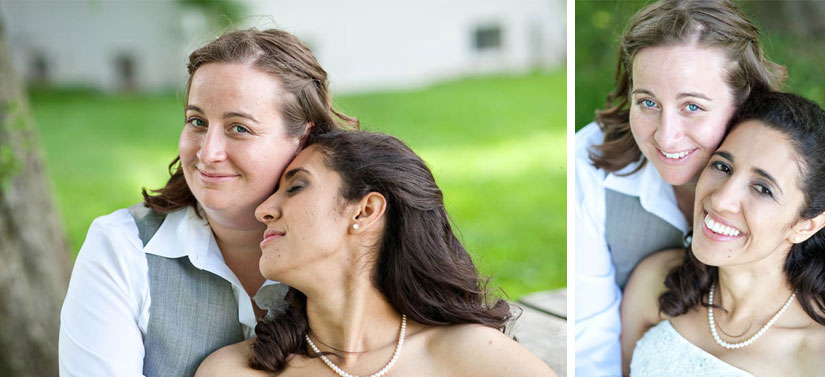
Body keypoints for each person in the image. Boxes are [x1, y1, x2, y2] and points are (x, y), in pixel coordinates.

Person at [58, 28, 357, 377]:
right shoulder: (122, 247)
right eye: (197, 122)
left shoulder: (357, 238)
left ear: (302, 136)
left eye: (239, 128)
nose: (207, 153)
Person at [193, 130, 557, 376]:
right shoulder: (236, 370)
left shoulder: (473, 356)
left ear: (365, 211)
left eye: (296, 187)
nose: (264, 211)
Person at [574, 1, 786, 374]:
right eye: (648, 102)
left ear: (745, 102)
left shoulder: (792, 171)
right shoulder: (587, 165)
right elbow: (589, 347)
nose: (665, 136)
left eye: (692, 107)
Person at [621, 91, 825, 376]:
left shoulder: (815, 354)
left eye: (762, 189)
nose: (720, 200)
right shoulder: (657, 279)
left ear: (806, 225)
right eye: (723, 166)